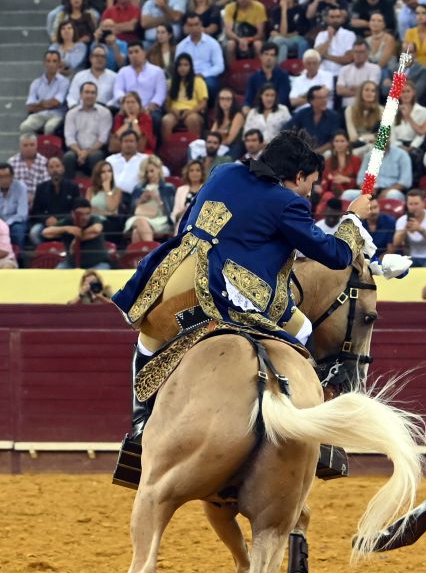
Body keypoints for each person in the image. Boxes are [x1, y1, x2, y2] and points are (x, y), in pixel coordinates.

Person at [112, 129, 382, 443]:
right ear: (297, 176)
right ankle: (306, 430)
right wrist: (353, 220)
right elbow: (336, 256)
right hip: (230, 293)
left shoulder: (223, 171)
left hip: (175, 279)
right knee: (303, 330)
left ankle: (141, 422)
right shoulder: (286, 202)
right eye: (311, 182)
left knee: (148, 340)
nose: (310, 191)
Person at [62, 82, 113, 177]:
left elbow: (103, 138)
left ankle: (96, 188)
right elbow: (69, 137)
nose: (90, 95)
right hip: (76, 150)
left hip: (96, 150)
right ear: (81, 95)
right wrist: (79, 152)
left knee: (96, 156)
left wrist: (87, 152)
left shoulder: (105, 113)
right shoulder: (71, 113)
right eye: (87, 92)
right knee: (68, 157)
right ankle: (69, 188)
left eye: (93, 93)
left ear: (96, 95)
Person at [45, 197, 111, 270]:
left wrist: (77, 240)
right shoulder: (67, 222)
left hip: (96, 263)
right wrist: (66, 229)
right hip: (71, 264)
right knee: (56, 275)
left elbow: (96, 229)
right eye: (81, 214)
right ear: (72, 213)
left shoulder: (94, 219)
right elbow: (46, 233)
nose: (85, 217)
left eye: (87, 213)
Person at [29, 155, 81, 247]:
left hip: (66, 223)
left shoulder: (73, 187)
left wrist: (60, 220)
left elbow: (76, 209)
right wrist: (46, 219)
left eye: (57, 166)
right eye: (51, 167)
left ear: (63, 168)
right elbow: (36, 211)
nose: (55, 170)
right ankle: (45, 253)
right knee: (34, 232)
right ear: (48, 170)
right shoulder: (41, 188)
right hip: (46, 224)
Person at [343, 139, 414, 202]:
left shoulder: (402, 155)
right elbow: (360, 179)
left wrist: (387, 191)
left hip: (392, 190)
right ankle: (349, 217)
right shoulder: (369, 155)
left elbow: (405, 182)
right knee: (347, 195)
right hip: (370, 190)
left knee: (392, 195)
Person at [125, 156, 175, 243]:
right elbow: (132, 210)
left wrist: (157, 198)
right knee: (140, 221)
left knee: (136, 232)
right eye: (147, 172)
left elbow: (170, 211)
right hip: (140, 216)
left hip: (160, 219)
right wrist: (141, 200)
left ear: (159, 169)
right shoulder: (139, 188)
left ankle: (141, 256)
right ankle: (152, 254)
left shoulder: (168, 188)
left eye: (152, 171)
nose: (149, 175)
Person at [21, 51, 71, 136]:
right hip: (39, 115)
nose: (51, 64)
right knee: (25, 127)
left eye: (54, 61)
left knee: (50, 127)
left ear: (59, 64)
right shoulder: (36, 83)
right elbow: (30, 106)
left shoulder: (64, 82)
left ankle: (47, 148)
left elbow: (56, 102)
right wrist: (45, 104)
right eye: (48, 61)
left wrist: (39, 104)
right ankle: (33, 148)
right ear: (44, 63)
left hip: (57, 114)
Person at [161, 54, 208, 143]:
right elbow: (166, 105)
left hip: (193, 112)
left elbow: (203, 103)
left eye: (186, 65)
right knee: (166, 121)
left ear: (191, 67)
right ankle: (167, 149)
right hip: (175, 112)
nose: (182, 68)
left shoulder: (198, 81)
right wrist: (172, 111)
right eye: (180, 65)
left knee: (192, 119)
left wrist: (190, 112)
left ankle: (195, 149)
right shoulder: (170, 83)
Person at [111, 40, 167, 115]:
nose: (134, 55)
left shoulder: (157, 71)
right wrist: (125, 103)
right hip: (127, 107)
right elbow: (118, 90)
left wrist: (149, 108)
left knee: (155, 118)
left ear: (144, 53)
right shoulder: (123, 71)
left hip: (150, 108)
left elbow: (160, 93)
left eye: (136, 51)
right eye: (130, 53)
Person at [176, 12, 225, 95]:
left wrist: (202, 75)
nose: (194, 28)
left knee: (211, 85)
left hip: (207, 76)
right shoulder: (181, 46)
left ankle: (209, 107)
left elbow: (219, 66)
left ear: (201, 24)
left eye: (196, 24)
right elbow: (177, 65)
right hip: (187, 76)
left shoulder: (213, 43)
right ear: (186, 26)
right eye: (190, 25)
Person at [285, 86, 342, 154]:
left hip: (324, 152)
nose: (324, 100)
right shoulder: (302, 113)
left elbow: (334, 140)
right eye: (320, 98)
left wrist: (316, 152)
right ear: (311, 101)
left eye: (325, 97)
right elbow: (287, 129)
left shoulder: (334, 116)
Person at [244, 43, 292, 115]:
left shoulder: (283, 75)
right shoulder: (254, 77)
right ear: (261, 56)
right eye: (266, 54)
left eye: (272, 55)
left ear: (276, 58)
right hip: (258, 112)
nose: (269, 58)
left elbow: (283, 99)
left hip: (277, 111)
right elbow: (248, 99)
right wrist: (246, 109)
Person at [68, 44, 118, 110]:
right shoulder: (79, 76)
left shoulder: (114, 77)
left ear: (106, 59)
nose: (99, 59)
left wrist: (105, 108)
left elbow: (116, 98)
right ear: (90, 58)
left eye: (102, 56)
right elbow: (72, 97)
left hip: (106, 111)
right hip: (82, 111)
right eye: (96, 56)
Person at [313, 5, 356, 78]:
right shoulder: (321, 35)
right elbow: (316, 56)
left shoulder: (349, 35)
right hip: (323, 74)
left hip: (342, 74)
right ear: (327, 19)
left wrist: (326, 56)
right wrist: (329, 39)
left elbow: (348, 59)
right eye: (332, 17)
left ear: (342, 19)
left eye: (338, 17)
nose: (335, 20)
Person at [336, 40, 383, 109]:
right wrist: (362, 90)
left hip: (367, 107)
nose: (358, 55)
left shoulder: (375, 68)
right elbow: (340, 91)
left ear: (367, 53)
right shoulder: (344, 69)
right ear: (352, 53)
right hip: (347, 108)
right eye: (356, 52)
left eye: (361, 52)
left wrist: (350, 89)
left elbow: (371, 89)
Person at [8, 134, 51, 205]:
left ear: (36, 145)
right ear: (20, 146)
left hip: (40, 201)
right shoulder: (12, 162)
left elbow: (47, 185)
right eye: (25, 145)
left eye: (32, 145)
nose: (29, 148)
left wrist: (34, 197)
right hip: (16, 202)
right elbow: (7, 185)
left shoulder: (44, 162)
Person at [345, 81, 384, 151]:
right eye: (366, 90)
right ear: (361, 93)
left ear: (376, 94)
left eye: (373, 91)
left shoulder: (381, 110)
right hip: (357, 146)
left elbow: (383, 135)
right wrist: (371, 137)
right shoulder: (350, 110)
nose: (369, 93)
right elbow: (353, 137)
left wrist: (363, 138)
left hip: (376, 146)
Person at [0, 164, 31, 251]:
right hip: (0, 222)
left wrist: (7, 224)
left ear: (12, 176)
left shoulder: (21, 187)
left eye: (6, 176)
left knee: (18, 230)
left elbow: (22, 214)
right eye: (0, 177)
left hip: (16, 222)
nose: (3, 180)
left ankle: (19, 258)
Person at [171, 159, 205, 226]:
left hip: (201, 224)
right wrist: (184, 211)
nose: (194, 173)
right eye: (191, 170)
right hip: (183, 224)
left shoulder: (206, 189)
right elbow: (174, 215)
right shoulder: (180, 190)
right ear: (187, 173)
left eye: (198, 170)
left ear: (202, 173)